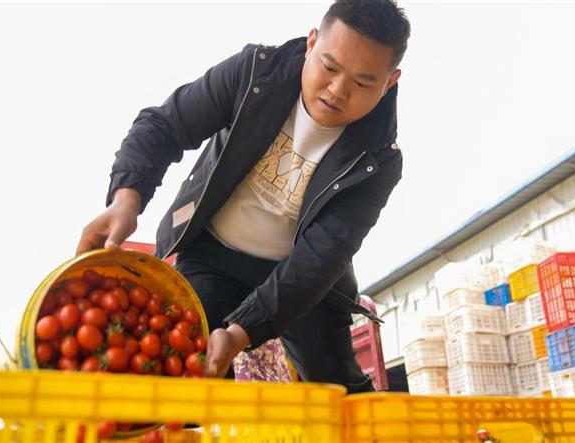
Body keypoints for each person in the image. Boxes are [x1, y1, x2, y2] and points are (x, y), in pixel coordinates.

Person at [76, 0, 410, 393]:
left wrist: (240, 332)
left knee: (338, 387)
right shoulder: (255, 72)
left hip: (303, 277)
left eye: (362, 83)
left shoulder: (379, 161)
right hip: (213, 256)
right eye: (329, 67)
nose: (337, 91)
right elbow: (164, 125)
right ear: (312, 42)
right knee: (186, 371)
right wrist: (126, 201)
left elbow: (321, 258)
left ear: (389, 82)